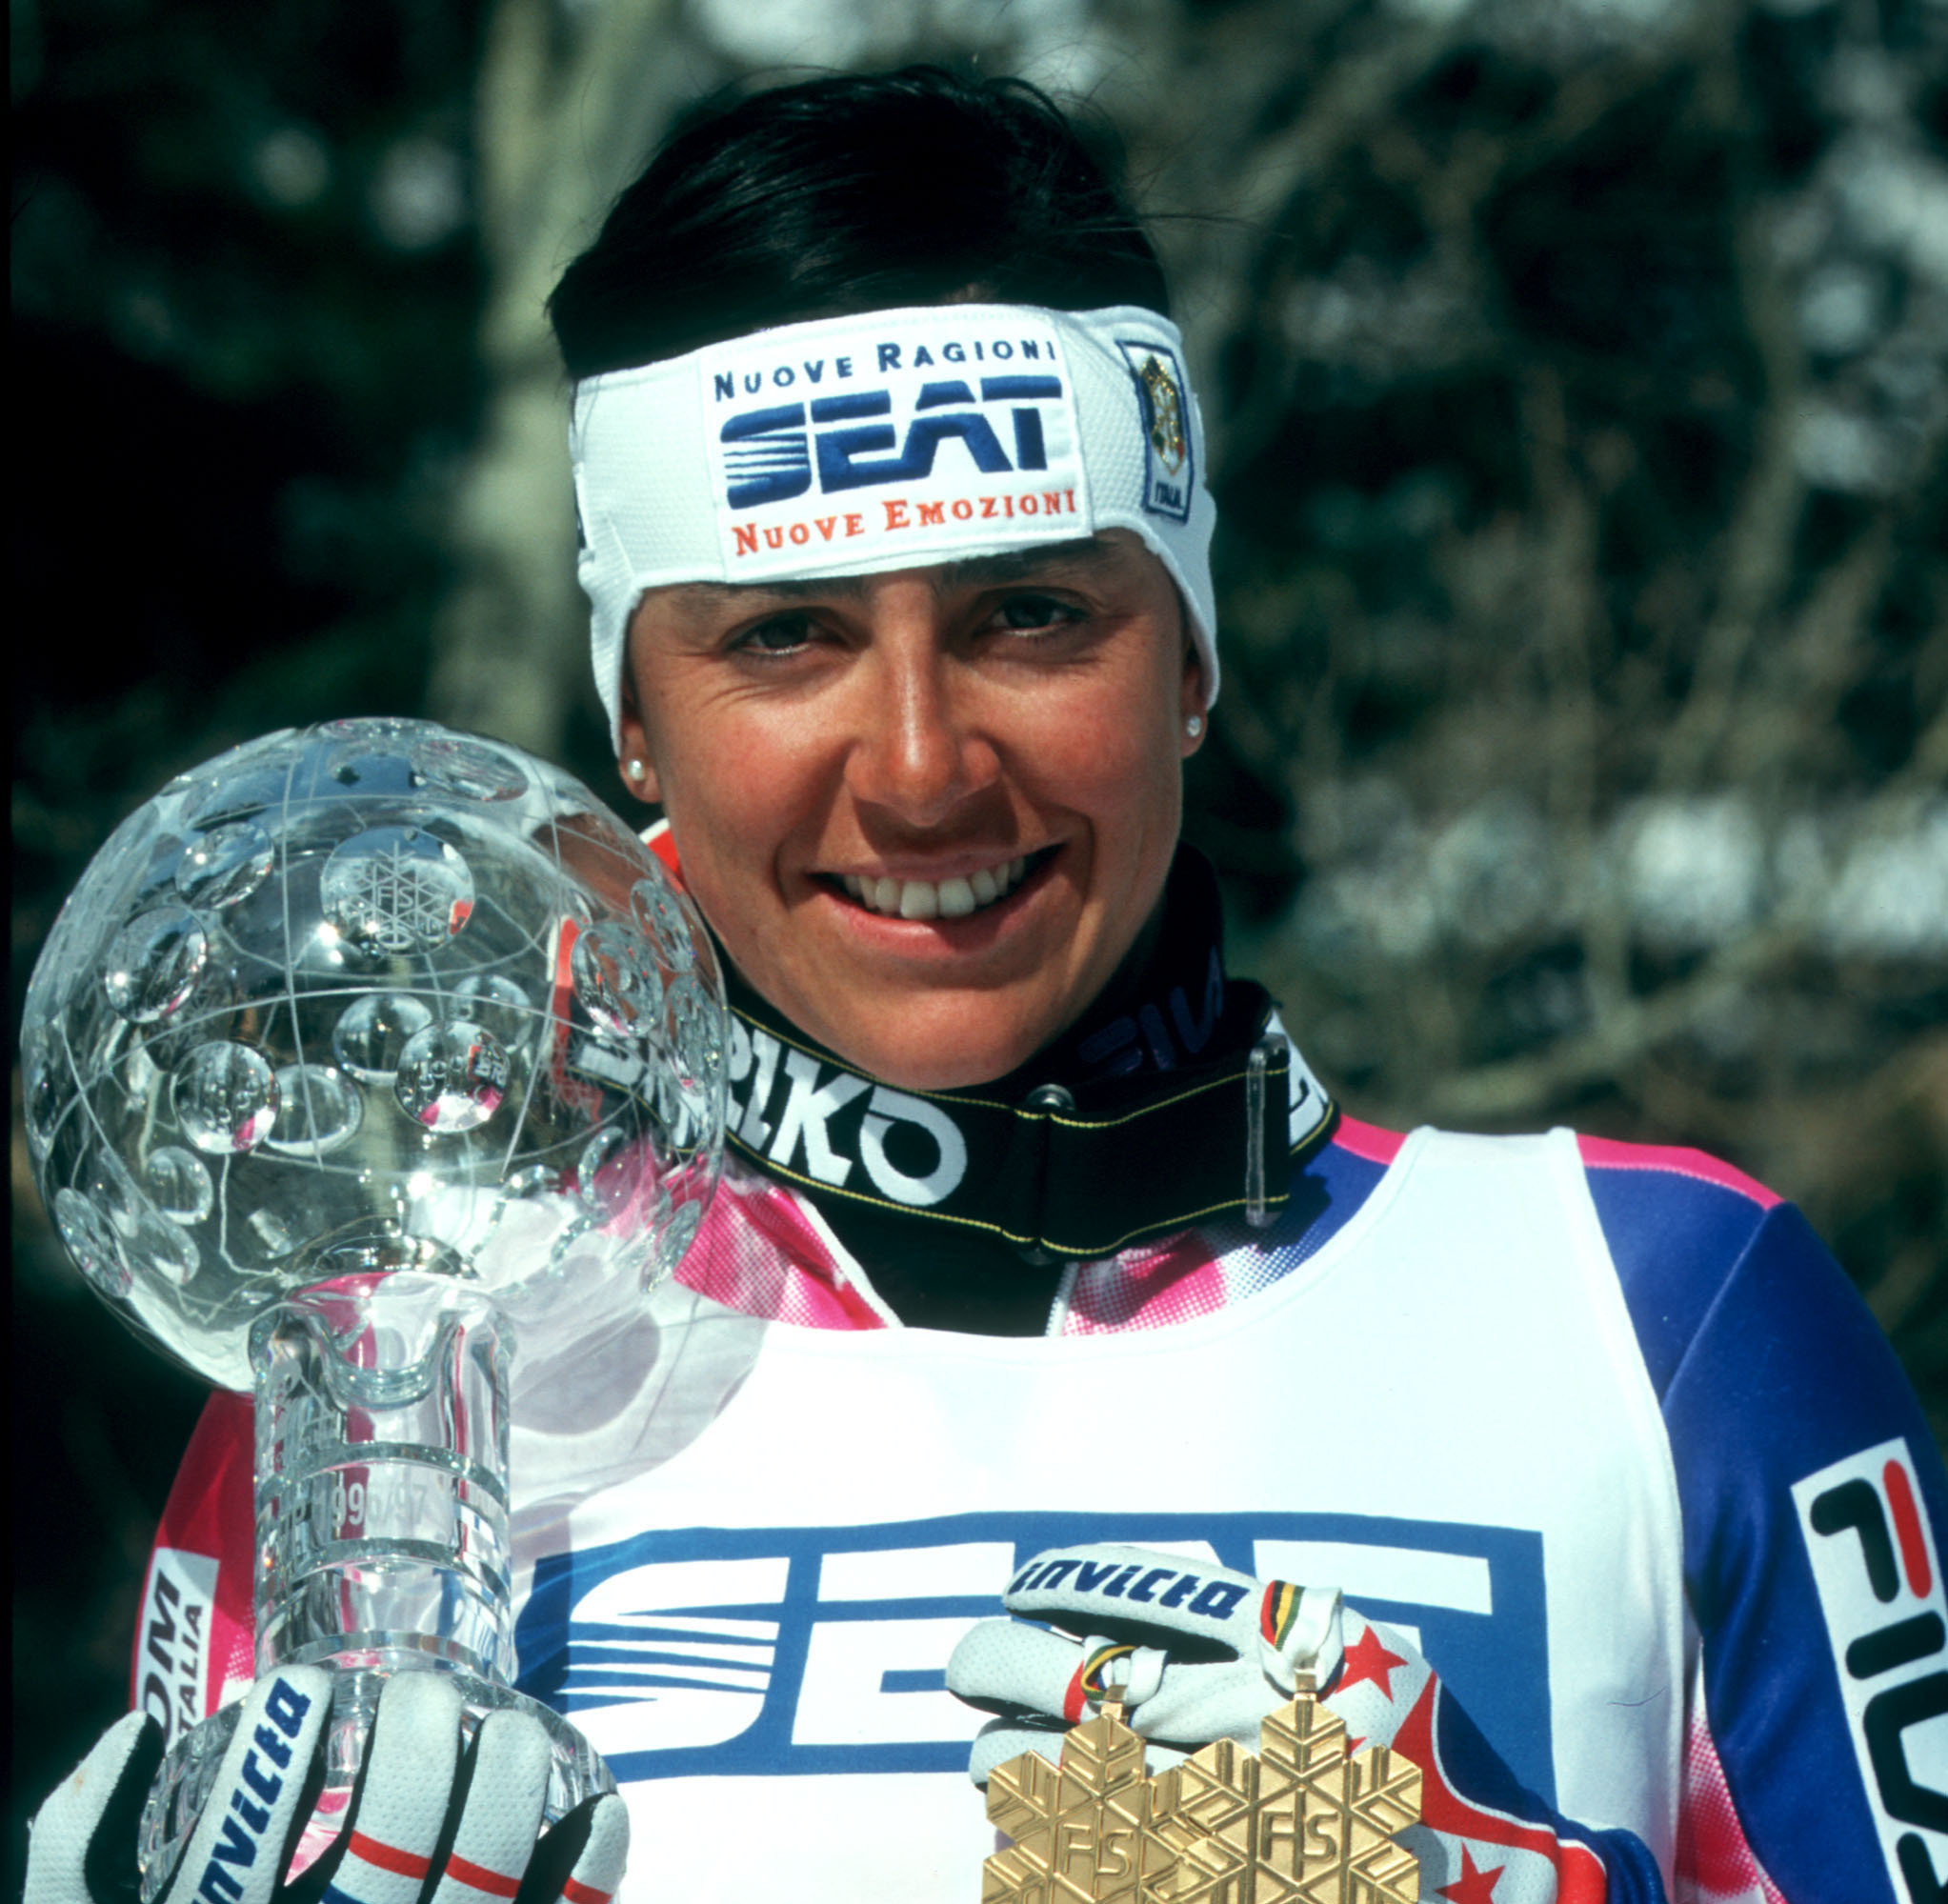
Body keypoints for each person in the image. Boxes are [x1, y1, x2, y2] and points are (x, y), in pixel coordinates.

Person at [30, 66, 1945, 1904]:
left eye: (1032, 612)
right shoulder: (392, 1398)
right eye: (786, 636)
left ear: (1188, 650)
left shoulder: (1653, 1318)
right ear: (636, 717)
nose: (926, 766)